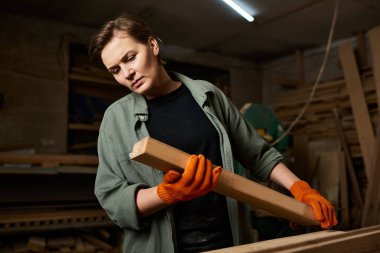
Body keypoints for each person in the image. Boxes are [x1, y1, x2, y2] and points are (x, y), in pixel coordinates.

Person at [89, 13, 337, 253]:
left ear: (152, 45)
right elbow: (112, 199)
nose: (127, 73)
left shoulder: (207, 95)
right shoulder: (115, 120)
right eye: (115, 70)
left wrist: (300, 189)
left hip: (228, 242)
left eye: (130, 57)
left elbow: (257, 154)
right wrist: (167, 194)